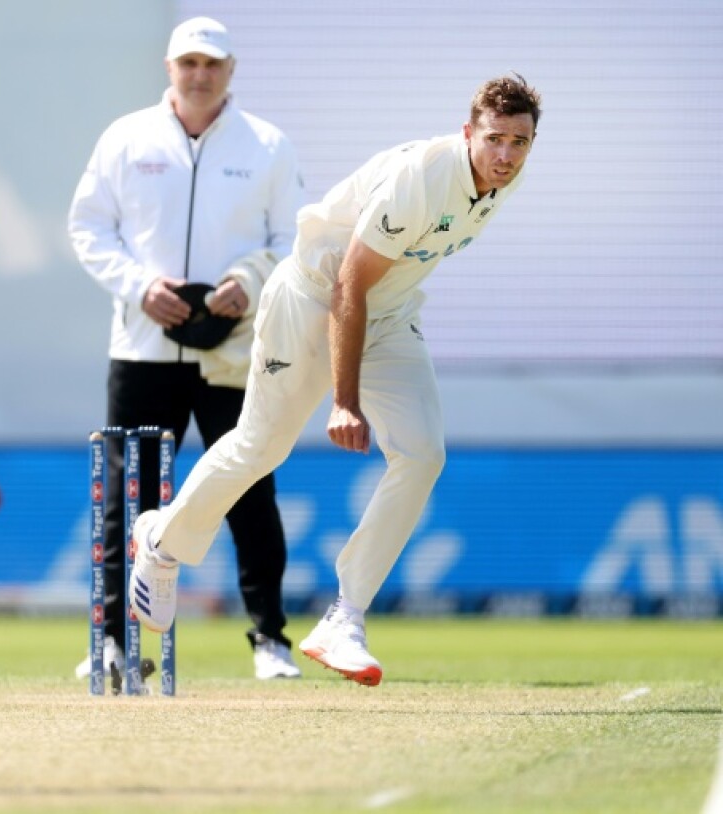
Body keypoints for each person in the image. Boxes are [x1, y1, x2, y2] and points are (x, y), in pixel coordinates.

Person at [129, 75, 542, 687]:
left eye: (519, 142)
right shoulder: (421, 178)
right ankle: (162, 541)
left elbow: (379, 285)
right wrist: (345, 401)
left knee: (423, 455)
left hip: (389, 315)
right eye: (494, 139)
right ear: (468, 134)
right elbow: (349, 282)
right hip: (314, 299)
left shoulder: (504, 180)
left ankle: (344, 617)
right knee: (262, 446)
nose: (506, 155)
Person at [68, 16, 306, 682]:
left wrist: (248, 283)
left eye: (212, 63)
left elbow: (295, 240)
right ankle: (111, 642)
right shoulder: (126, 138)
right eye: (189, 63)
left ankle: (270, 640)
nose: (200, 75)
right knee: (126, 498)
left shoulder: (267, 144)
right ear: (170, 68)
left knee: (250, 493)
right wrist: (139, 286)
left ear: (231, 70)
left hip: (234, 352)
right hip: (143, 348)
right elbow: (89, 228)